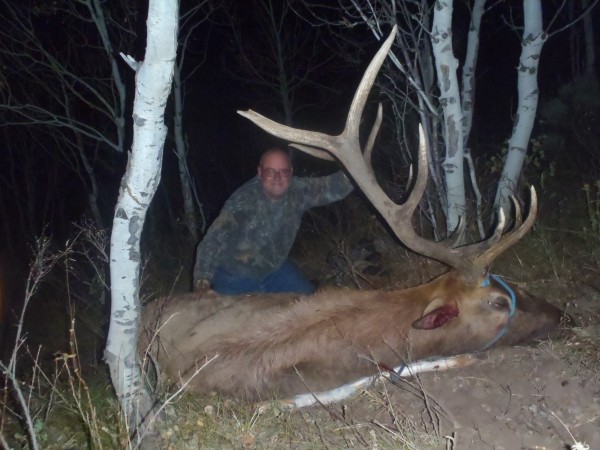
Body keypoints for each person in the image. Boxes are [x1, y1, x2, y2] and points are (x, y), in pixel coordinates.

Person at [193, 147, 353, 295]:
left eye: (283, 172)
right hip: (235, 276)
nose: (277, 178)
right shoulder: (243, 200)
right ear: (259, 172)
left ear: (291, 172)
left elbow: (335, 186)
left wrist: (355, 170)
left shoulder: (298, 191)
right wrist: (202, 283)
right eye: (270, 171)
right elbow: (213, 241)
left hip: (274, 270)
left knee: (311, 305)